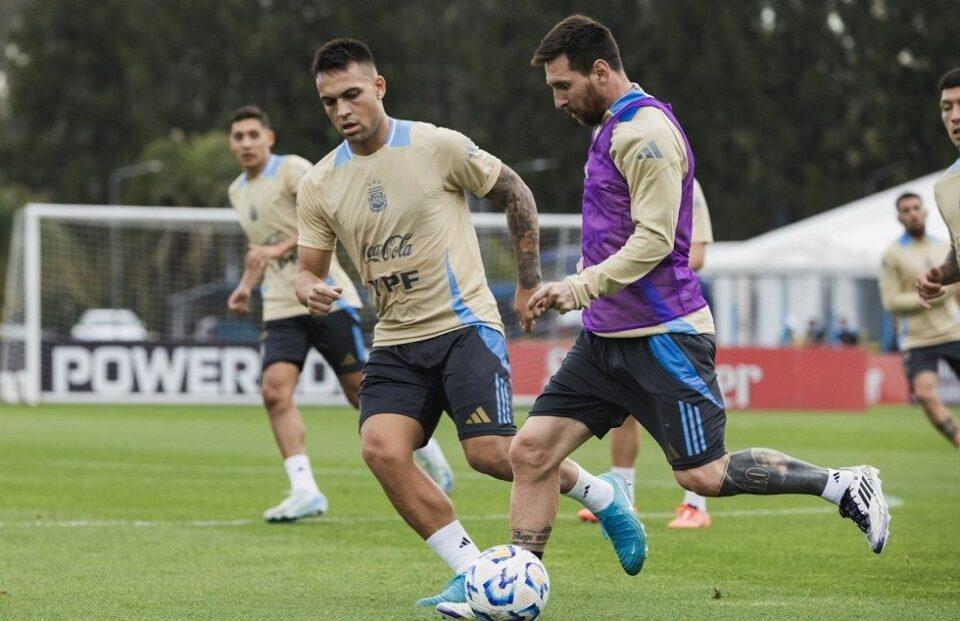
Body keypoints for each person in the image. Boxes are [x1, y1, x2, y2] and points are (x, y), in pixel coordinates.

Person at [509, 15, 890, 568]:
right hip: (606, 338)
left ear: (599, 72)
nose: (556, 101)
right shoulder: (609, 127)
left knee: (703, 475)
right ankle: (520, 582)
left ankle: (842, 484)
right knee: (532, 451)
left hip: (664, 336)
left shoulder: (645, 134)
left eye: (562, 86)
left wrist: (577, 287)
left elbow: (657, 243)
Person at [295, 39, 640, 610]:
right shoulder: (320, 183)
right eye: (329, 102)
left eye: (352, 94)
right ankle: (474, 570)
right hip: (397, 339)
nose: (342, 111)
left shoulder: (435, 145)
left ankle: (602, 496)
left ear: (378, 88)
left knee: (487, 454)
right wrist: (312, 290)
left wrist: (528, 280)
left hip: (464, 327)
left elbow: (515, 193)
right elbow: (307, 271)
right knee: (381, 449)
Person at [225, 105, 454, 521]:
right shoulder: (237, 190)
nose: (245, 143)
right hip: (280, 305)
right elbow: (260, 253)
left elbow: (325, 216)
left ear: (269, 138)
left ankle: (428, 452)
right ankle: (304, 490)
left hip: (327, 295)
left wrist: (279, 249)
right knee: (274, 391)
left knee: (360, 393)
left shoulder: (293, 170)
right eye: (237, 136)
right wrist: (244, 289)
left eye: (252, 134)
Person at [577, 178, 715, 528]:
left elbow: (696, 254)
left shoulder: (682, 183)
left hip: (670, 321)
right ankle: (624, 497)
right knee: (623, 411)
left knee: (683, 410)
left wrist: (632, 268)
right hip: (624, 318)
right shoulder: (617, 185)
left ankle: (695, 507)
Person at [884, 192, 960, 447]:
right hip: (917, 338)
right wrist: (923, 297)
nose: (913, 213)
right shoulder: (892, 254)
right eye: (906, 210)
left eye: (916, 207)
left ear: (926, 211)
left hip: (953, 330)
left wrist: (940, 293)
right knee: (926, 395)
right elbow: (890, 301)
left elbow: (955, 287)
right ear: (899, 217)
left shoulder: (944, 246)